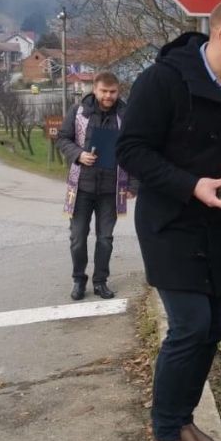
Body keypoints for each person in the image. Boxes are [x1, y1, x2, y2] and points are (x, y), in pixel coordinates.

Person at [117, 0, 221, 441]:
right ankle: (164, 434)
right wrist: (191, 184)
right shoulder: (164, 80)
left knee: (214, 329)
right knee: (189, 326)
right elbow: (131, 150)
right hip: (172, 225)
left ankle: (183, 420)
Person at [56, 71, 132, 301]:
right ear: (95, 90)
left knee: (105, 239)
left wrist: (134, 185)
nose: (108, 96)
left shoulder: (126, 115)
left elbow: (135, 149)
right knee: (77, 237)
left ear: (118, 91)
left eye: (113, 92)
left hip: (112, 188)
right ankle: (79, 279)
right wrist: (79, 155)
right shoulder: (78, 112)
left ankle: (101, 281)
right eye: (104, 91)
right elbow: (62, 138)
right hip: (81, 187)